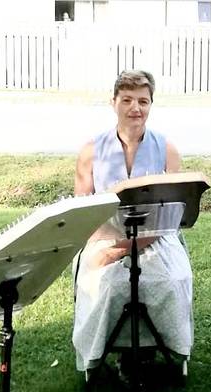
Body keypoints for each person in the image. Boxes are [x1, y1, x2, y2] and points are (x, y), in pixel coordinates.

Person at [72, 70, 191, 373]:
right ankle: (106, 350)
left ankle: (160, 347)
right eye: (127, 100)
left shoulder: (167, 149)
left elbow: (170, 216)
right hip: (103, 237)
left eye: (143, 101)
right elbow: (80, 213)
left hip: (155, 236)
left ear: (151, 104)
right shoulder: (90, 152)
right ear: (113, 102)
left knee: (169, 281)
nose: (135, 108)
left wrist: (128, 248)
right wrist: (109, 248)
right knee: (106, 285)